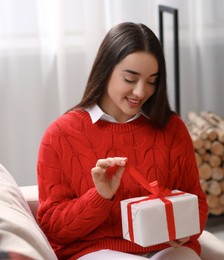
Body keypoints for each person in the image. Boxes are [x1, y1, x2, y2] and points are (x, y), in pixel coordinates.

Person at [36, 22, 208, 260]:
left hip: (166, 249)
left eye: (151, 81)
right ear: (105, 70)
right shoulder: (61, 135)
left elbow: (197, 202)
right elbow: (53, 229)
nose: (140, 92)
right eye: (130, 78)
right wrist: (100, 196)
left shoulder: (171, 128)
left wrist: (185, 229)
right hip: (96, 252)